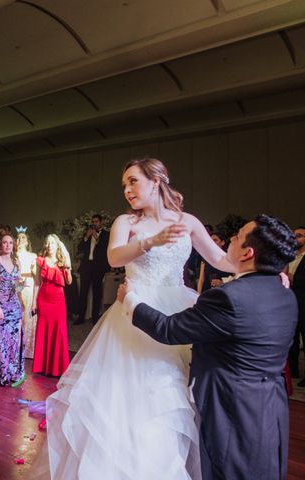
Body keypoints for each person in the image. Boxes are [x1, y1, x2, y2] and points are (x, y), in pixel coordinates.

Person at [37, 157, 236, 479]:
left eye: (133, 181)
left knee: (177, 396)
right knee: (132, 398)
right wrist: (149, 242)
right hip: (135, 310)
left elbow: (222, 259)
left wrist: (264, 271)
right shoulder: (126, 222)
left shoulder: (187, 221)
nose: (127, 190)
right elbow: (114, 255)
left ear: (156, 181)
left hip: (179, 309)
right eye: (124, 185)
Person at [122, 215, 297, 479]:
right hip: (271, 403)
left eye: (237, 236)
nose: (231, 239)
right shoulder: (283, 292)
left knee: (225, 468)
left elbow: (168, 330)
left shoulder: (228, 297)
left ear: (248, 253)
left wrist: (130, 300)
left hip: (232, 407)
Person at [0, 233, 25, 386]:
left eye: (10, 242)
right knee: (0, 339)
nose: (8, 245)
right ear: (0, 245)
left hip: (14, 304)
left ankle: (12, 372)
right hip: (0, 304)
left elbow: (17, 285)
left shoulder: (16, 262)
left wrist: (21, 286)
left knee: (13, 341)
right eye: (4, 243)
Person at [32, 234, 71, 377]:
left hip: (58, 300)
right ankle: (43, 367)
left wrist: (67, 268)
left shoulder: (62, 261)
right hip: (44, 299)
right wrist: (33, 302)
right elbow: (37, 282)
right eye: (47, 243)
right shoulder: (40, 261)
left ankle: (58, 368)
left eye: (52, 243)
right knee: (44, 331)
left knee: (59, 331)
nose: (49, 245)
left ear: (57, 245)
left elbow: (69, 282)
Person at [76, 214, 110, 325]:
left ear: (101, 222)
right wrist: (86, 237)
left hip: (98, 268)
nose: (94, 223)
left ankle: (95, 318)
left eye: (96, 221)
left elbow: (105, 249)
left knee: (97, 293)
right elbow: (79, 248)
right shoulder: (88, 233)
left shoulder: (106, 235)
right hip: (86, 267)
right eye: (93, 221)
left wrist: (96, 237)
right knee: (83, 292)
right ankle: (81, 317)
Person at [288, 226, 305, 384]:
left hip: (303, 304)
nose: (296, 238)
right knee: (291, 339)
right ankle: (292, 372)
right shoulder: (289, 256)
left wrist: (294, 278)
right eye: (294, 235)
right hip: (290, 305)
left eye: (299, 236)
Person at [16, 228, 37, 358]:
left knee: (28, 316)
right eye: (18, 237)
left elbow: (36, 274)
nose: (20, 240)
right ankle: (16, 346)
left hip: (28, 284)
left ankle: (29, 348)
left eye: (23, 237)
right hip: (16, 284)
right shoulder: (12, 255)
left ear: (27, 240)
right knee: (18, 314)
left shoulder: (32, 256)